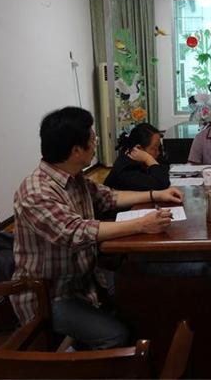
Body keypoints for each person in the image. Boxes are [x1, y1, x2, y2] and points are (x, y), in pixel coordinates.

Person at [11, 107, 183, 350]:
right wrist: (141, 224)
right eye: (93, 139)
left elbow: (110, 197)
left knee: (144, 289)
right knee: (116, 334)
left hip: (86, 280)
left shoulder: (75, 178)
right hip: (50, 296)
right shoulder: (36, 192)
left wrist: (157, 194)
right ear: (76, 150)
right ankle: (82, 362)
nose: (96, 144)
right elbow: (75, 232)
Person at [104, 122, 170, 191]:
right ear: (138, 148)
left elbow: (164, 166)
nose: (158, 152)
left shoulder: (136, 159)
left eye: (159, 147)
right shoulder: (126, 170)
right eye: (155, 148)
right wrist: (147, 158)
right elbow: (162, 184)